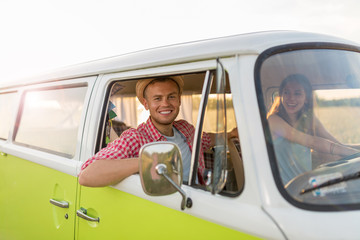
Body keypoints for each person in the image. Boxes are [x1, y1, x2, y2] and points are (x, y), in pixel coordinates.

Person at [79, 76, 237, 187]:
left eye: (171, 97)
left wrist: (230, 134)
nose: (165, 104)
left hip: (199, 198)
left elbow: (206, 140)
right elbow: (86, 175)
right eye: (157, 99)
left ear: (179, 100)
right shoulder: (136, 138)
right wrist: (147, 162)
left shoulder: (185, 129)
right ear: (146, 104)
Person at [267, 74, 359, 185]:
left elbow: (334, 142)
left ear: (306, 99)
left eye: (297, 93)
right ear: (281, 96)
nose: (291, 98)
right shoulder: (273, 120)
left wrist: (355, 154)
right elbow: (313, 142)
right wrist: (354, 154)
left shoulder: (309, 119)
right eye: (286, 92)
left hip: (305, 185)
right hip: (283, 188)